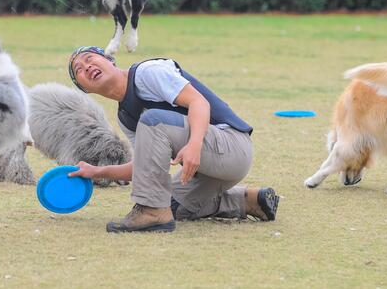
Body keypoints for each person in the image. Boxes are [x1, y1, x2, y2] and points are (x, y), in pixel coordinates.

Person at [67, 46, 279, 233]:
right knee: (170, 204)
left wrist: (194, 145)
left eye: (89, 58)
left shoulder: (147, 73)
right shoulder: (125, 116)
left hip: (231, 146)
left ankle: (151, 211)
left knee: (153, 119)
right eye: (78, 70)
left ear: (110, 60)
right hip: (208, 169)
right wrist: (97, 172)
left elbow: (199, 103)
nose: (86, 67)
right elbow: (144, 167)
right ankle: (249, 201)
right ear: (85, 89)